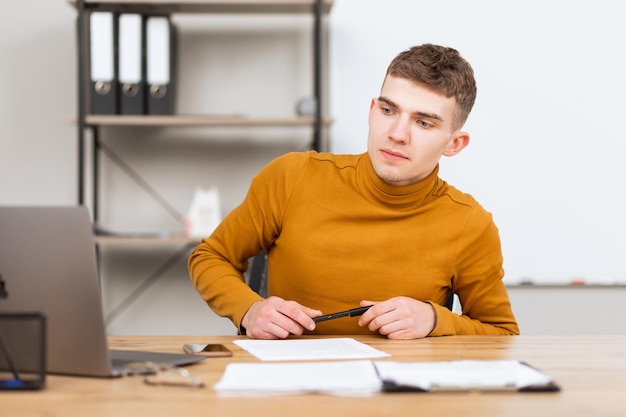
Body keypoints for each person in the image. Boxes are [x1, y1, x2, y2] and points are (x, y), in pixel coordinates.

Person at [188, 43, 519, 340]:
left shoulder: (470, 224)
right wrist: (249, 310)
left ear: (454, 143)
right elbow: (210, 257)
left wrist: (435, 319)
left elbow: (501, 333)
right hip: (293, 389)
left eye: (424, 123)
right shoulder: (292, 176)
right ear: (372, 110)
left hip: (399, 399)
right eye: (388, 111)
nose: (397, 134)